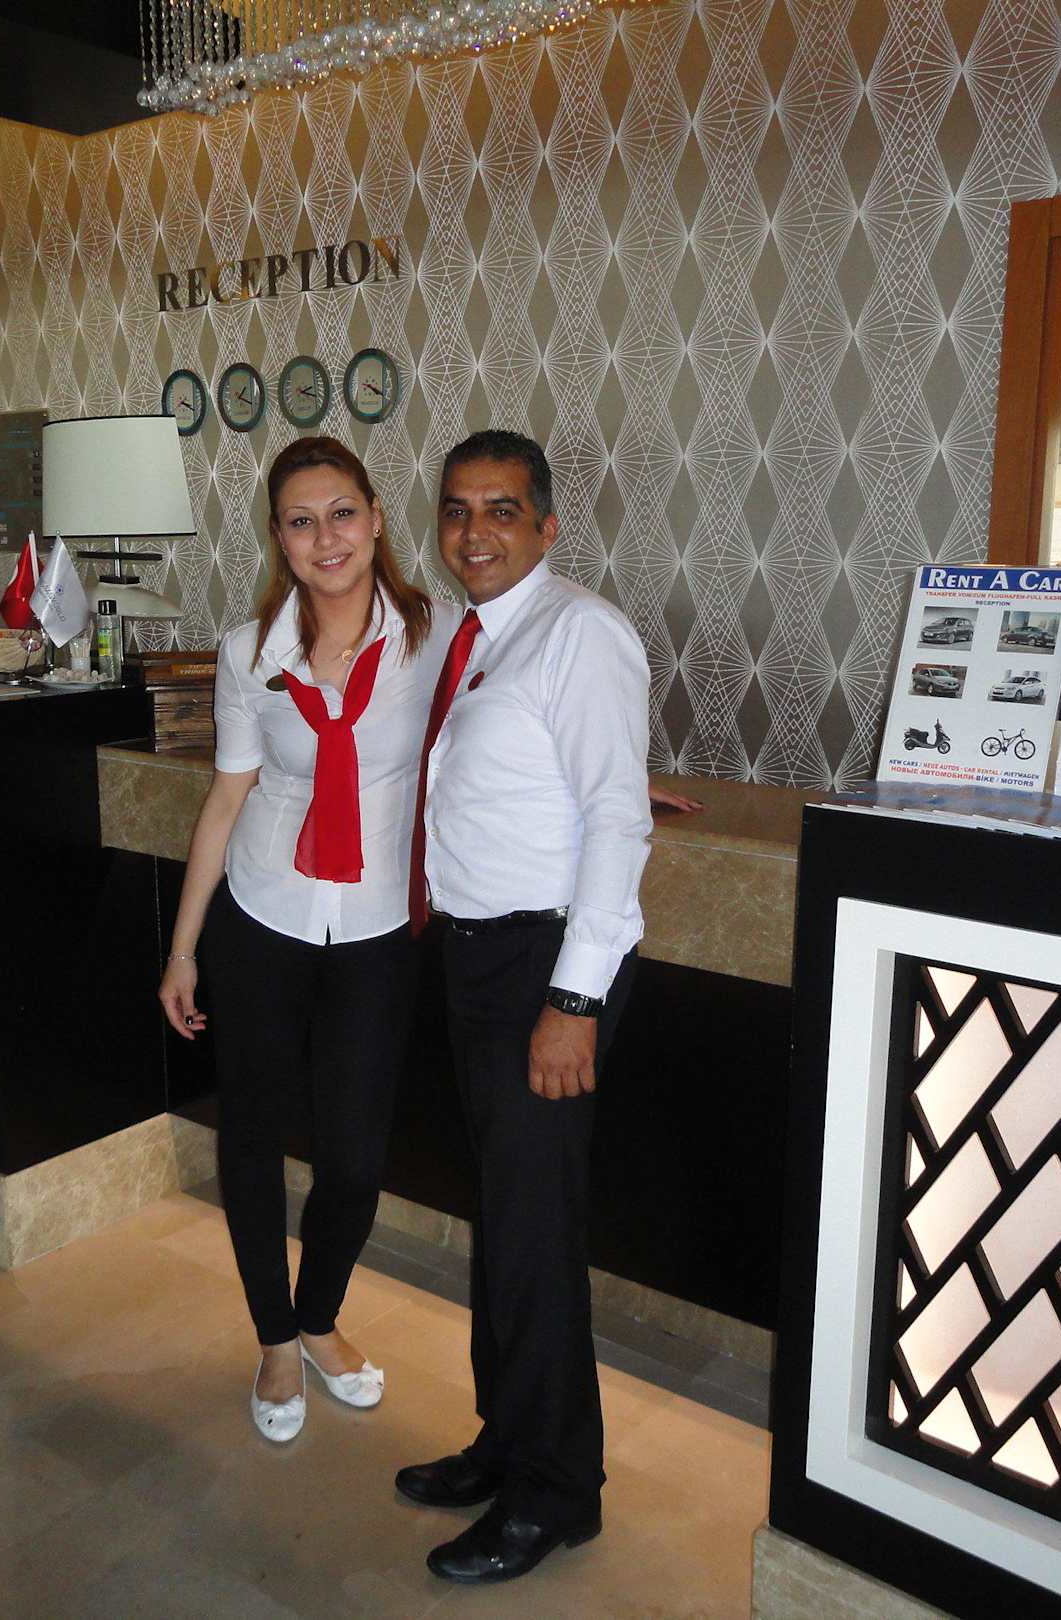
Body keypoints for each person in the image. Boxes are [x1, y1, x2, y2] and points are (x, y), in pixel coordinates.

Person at [157, 435, 456, 1443]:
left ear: (375, 519)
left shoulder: (435, 637)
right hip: (263, 917)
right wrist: (184, 949)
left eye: (341, 513)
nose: (325, 538)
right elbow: (227, 796)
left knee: (356, 1157)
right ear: (279, 541)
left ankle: (320, 1313)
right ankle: (277, 1337)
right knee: (251, 1136)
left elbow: (514, 731)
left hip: (376, 929)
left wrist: (616, 783)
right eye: (300, 521)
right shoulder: (251, 652)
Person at [395, 429, 653, 1584]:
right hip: (478, 958)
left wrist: (574, 998)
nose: (475, 531)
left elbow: (616, 821)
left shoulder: (580, 633)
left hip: (546, 966)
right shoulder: (475, 638)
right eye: (457, 510)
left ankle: (555, 1494)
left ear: (548, 525)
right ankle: (508, 1442)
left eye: (501, 509)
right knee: (505, 1221)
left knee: (537, 1234)